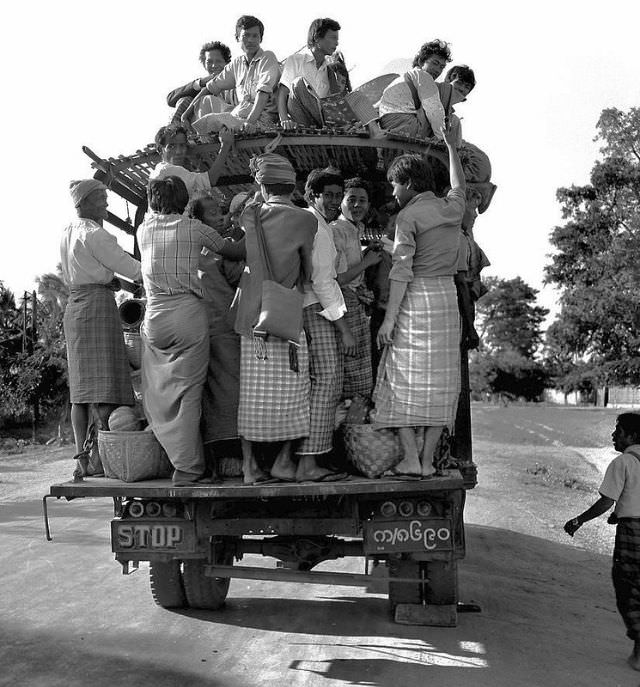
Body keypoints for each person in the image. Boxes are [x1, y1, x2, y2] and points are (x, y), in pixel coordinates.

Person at [138, 176, 244, 486]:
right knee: (189, 394)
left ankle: (178, 455)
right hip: (187, 314)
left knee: (159, 392)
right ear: (185, 203)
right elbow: (233, 251)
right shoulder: (193, 228)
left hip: (154, 319)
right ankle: (189, 468)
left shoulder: (143, 230)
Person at [374, 124, 465, 479]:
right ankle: (426, 462)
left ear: (409, 183)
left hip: (417, 300)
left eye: (395, 185)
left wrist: (388, 320)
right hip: (445, 300)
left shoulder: (408, 217)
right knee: (438, 382)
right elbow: (460, 186)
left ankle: (410, 459)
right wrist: (452, 148)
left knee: (402, 378)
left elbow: (401, 273)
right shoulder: (451, 208)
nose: (393, 192)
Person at [233, 153, 317, 484]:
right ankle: (284, 461)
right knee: (296, 394)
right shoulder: (306, 220)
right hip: (286, 316)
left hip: (251, 318)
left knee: (251, 396)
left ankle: (249, 466)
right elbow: (308, 273)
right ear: (292, 185)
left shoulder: (250, 215)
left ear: (262, 185)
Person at [60, 179, 142, 478]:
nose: (106, 204)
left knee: (80, 393)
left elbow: (91, 270)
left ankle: (83, 458)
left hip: (75, 307)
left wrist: (113, 280)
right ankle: (103, 459)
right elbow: (131, 267)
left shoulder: (69, 231)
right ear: (83, 202)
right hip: (96, 307)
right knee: (105, 389)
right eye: (101, 199)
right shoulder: (96, 234)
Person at [291, 168, 355, 481]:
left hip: (308, 307)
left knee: (317, 384)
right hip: (316, 308)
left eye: (336, 195)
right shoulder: (315, 223)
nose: (334, 201)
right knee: (327, 382)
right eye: (327, 195)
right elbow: (322, 280)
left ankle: (309, 458)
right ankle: (308, 463)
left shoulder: (312, 221)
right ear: (312, 194)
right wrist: (343, 328)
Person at [564, 413, 640, 672]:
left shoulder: (623, 463)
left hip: (633, 534)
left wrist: (579, 520)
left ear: (632, 436)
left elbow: (607, 501)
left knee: (627, 586)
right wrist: (619, 513)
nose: (613, 435)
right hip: (630, 522)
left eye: (618, 431)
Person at [191, 195, 244, 481]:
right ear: (199, 220)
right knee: (232, 393)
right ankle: (238, 458)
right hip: (223, 328)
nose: (220, 217)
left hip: (197, 330)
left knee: (204, 397)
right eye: (213, 213)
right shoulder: (221, 248)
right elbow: (240, 277)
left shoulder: (188, 249)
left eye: (220, 212)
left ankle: (210, 462)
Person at [278, 19, 383, 137]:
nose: (337, 43)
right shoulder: (296, 60)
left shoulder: (329, 71)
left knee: (356, 96)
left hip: (323, 118)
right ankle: (342, 125)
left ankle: (375, 131)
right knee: (299, 83)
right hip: (301, 117)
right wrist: (283, 119)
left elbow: (334, 102)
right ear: (318, 38)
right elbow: (282, 94)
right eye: (333, 38)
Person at [182, 15, 280, 134]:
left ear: (261, 39)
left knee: (210, 120)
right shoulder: (237, 64)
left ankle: (207, 140)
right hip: (239, 114)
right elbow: (210, 87)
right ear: (238, 38)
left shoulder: (267, 57)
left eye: (255, 36)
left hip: (261, 120)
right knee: (205, 100)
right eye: (246, 35)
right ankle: (202, 136)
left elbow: (263, 93)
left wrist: (250, 122)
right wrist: (185, 114)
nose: (251, 40)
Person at [330, 177, 381, 400]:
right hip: (344, 302)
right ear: (341, 202)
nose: (357, 205)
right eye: (352, 200)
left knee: (358, 367)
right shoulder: (337, 230)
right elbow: (336, 279)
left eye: (363, 200)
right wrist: (367, 262)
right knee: (353, 372)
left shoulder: (355, 228)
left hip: (354, 301)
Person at [377, 39, 452, 139]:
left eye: (442, 67)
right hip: (405, 125)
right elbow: (435, 110)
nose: (438, 70)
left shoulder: (404, 77)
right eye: (435, 63)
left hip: (386, 125)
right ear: (421, 62)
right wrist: (443, 139)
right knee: (450, 116)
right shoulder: (423, 76)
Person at [149, 124, 234, 199]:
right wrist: (225, 145)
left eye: (182, 145)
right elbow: (210, 180)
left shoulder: (157, 171)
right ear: (160, 149)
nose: (178, 151)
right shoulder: (170, 170)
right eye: (171, 146)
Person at [166, 41, 236, 123]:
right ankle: (174, 131)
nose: (214, 65)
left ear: (227, 63)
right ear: (204, 64)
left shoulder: (234, 82)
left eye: (218, 61)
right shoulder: (202, 85)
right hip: (197, 125)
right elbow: (171, 99)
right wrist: (201, 82)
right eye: (209, 62)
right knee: (185, 100)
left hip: (228, 123)